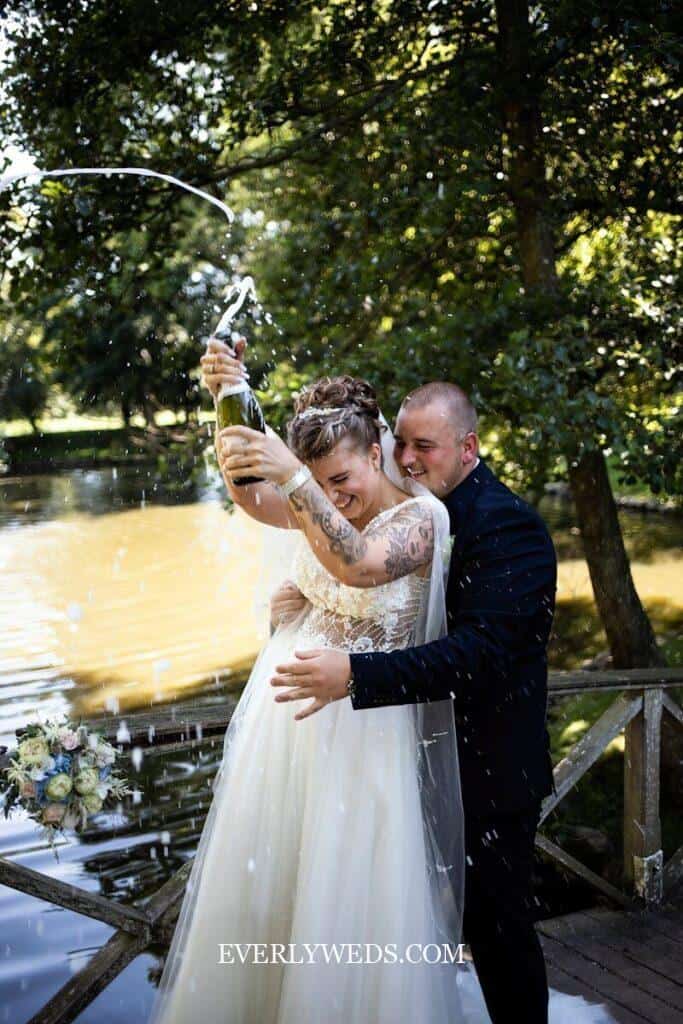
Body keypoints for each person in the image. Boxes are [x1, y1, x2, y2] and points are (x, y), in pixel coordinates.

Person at [202, 340, 617, 1024]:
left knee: (497, 933)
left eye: (424, 445)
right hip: (389, 755)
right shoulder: (388, 498)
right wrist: (229, 394)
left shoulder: (502, 525)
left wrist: (353, 672)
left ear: (468, 446)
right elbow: (268, 504)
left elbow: (477, 653)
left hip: (483, 764)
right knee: (383, 925)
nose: (409, 456)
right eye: (404, 441)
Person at [149, 365, 471, 1024]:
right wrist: (229, 403)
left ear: (375, 454)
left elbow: (355, 561)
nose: (329, 496)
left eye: (342, 480)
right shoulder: (317, 495)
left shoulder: (421, 519)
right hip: (286, 734)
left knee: (344, 898)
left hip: (361, 736)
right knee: (275, 898)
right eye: (316, 481)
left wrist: (296, 479)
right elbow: (249, 497)